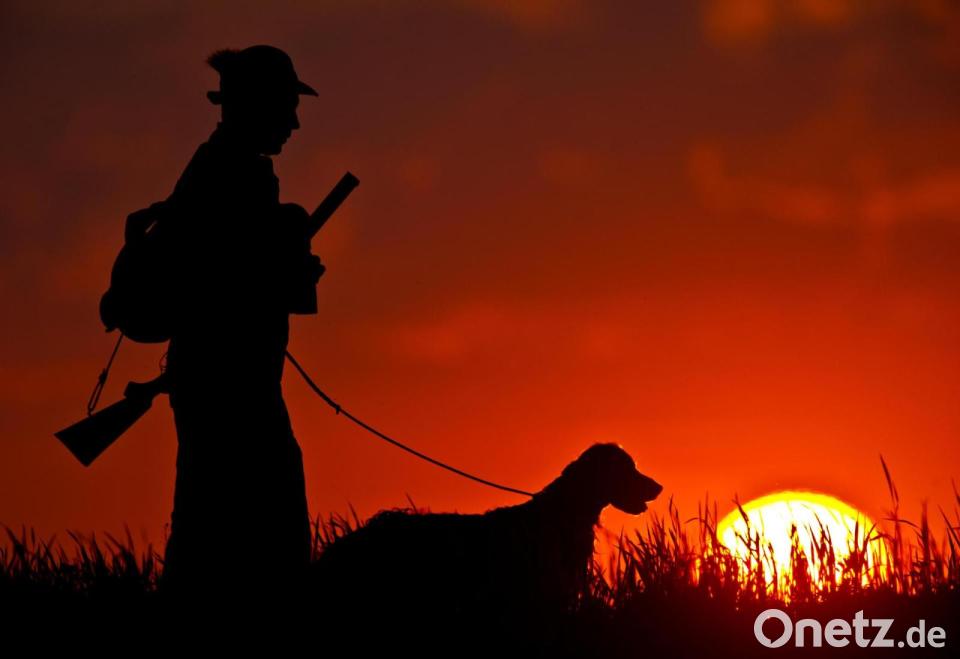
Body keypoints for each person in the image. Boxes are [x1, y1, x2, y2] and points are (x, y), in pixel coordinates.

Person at [158, 45, 324, 604]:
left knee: (206, 531)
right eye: (287, 107)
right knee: (267, 539)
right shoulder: (237, 176)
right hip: (235, 390)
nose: (294, 123)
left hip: (217, 382)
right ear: (258, 106)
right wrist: (290, 267)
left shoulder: (218, 169)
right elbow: (231, 282)